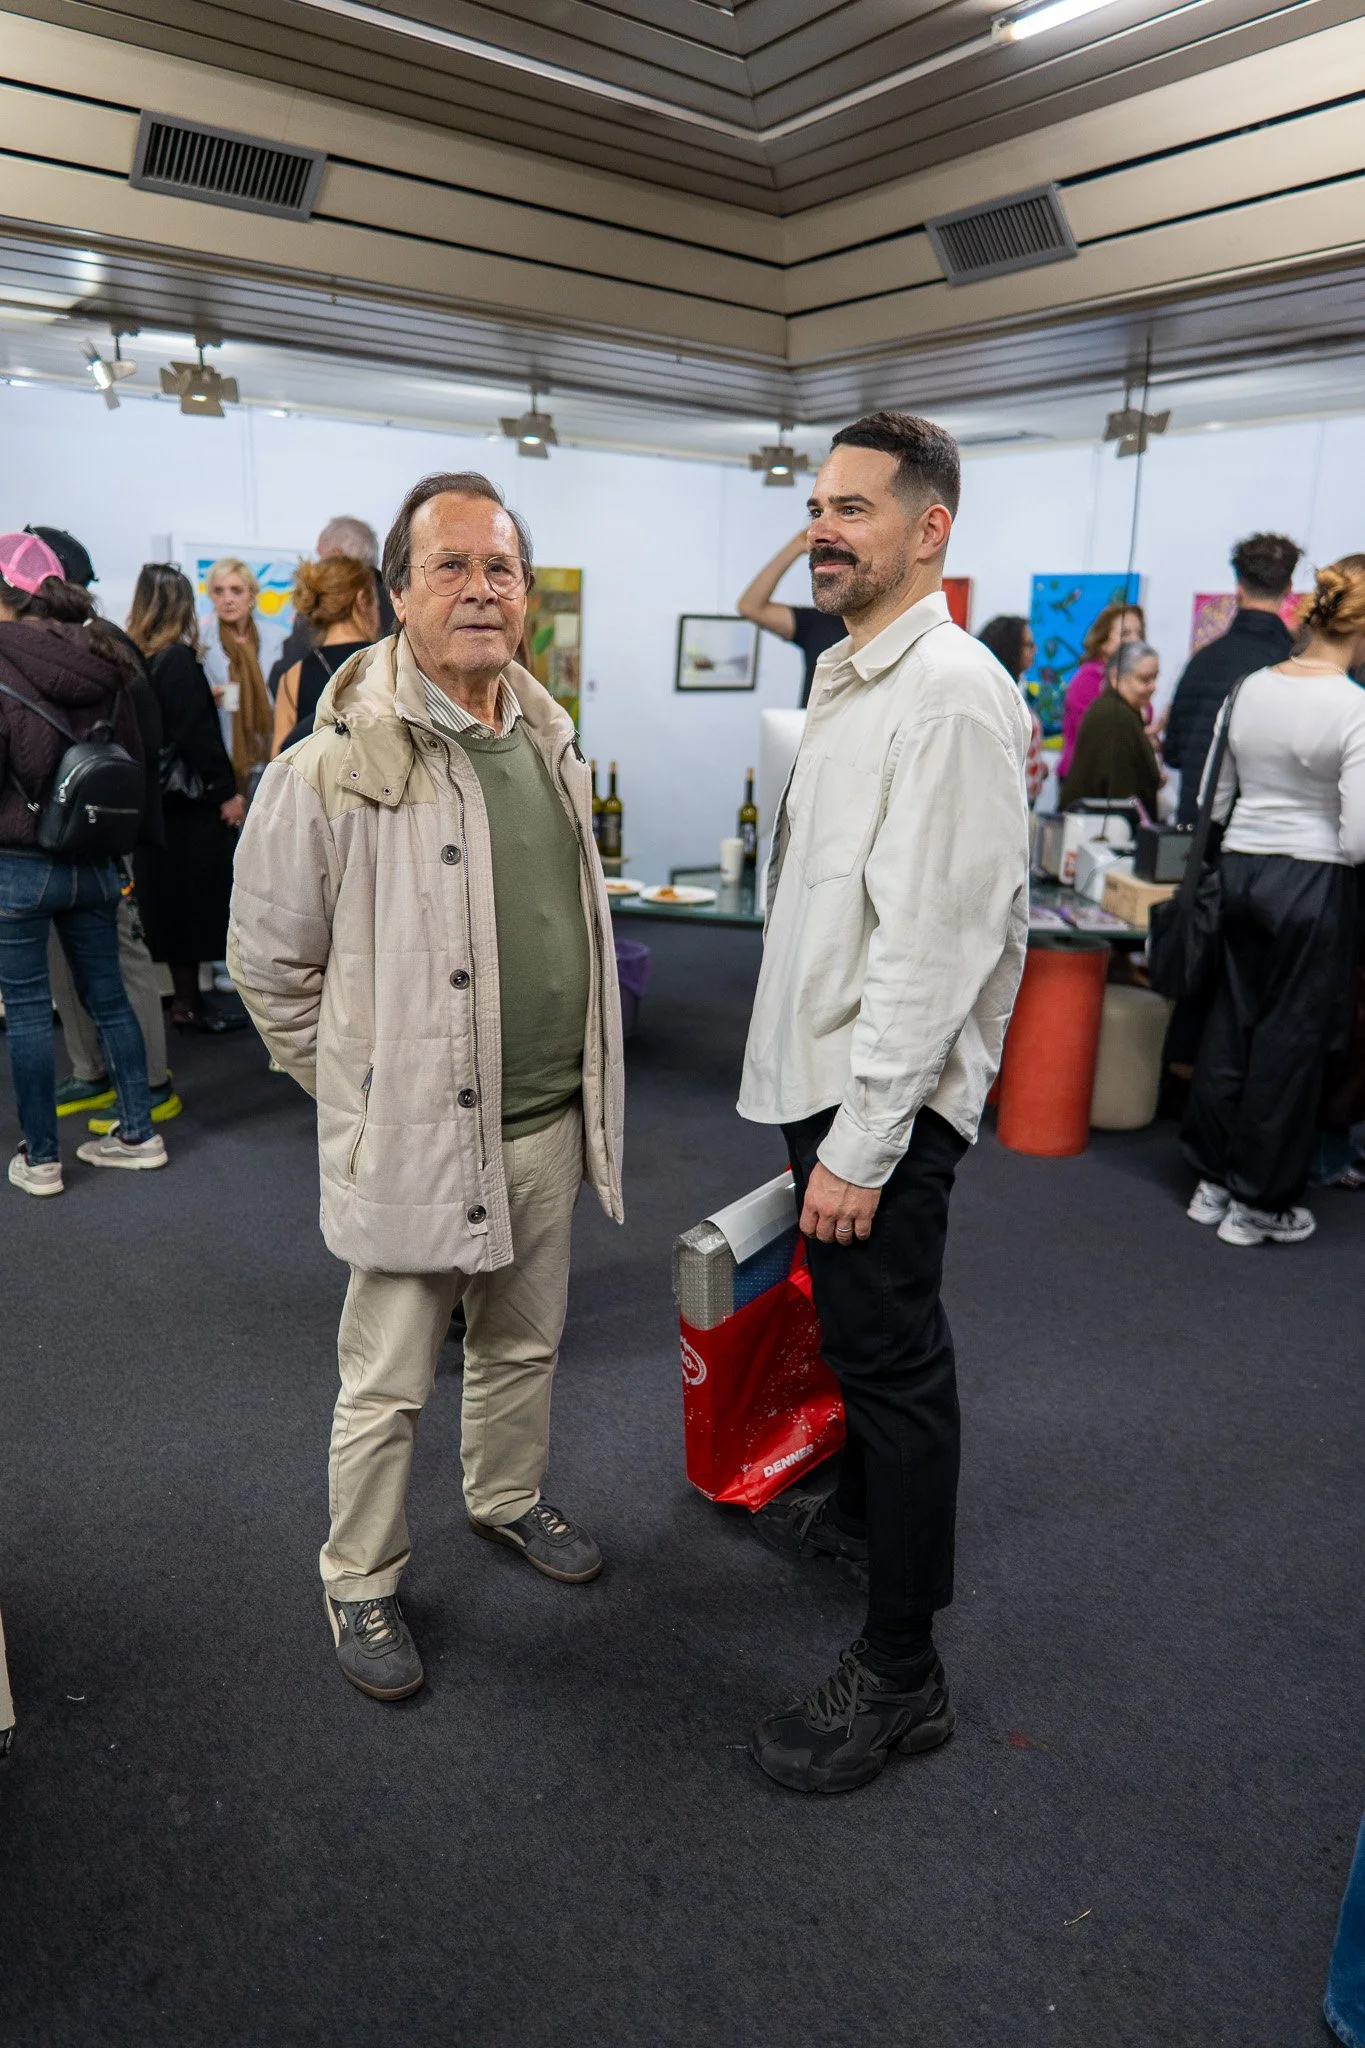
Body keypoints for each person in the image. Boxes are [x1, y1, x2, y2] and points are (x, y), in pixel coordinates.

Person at [229, 470, 624, 1703]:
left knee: (524, 1343)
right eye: (450, 565)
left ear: (526, 596)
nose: (480, 589)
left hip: (546, 1117)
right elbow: (269, 968)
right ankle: (359, 1577)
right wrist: (361, 1092)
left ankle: (505, 1496)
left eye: (501, 568)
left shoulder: (548, 739)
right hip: (412, 1135)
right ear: (399, 593)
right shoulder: (330, 767)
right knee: (389, 1378)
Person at [735, 412, 1031, 1794]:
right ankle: (859, 1518)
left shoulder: (951, 693)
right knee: (859, 1337)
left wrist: (863, 1142)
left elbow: (938, 944)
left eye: (854, 507)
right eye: (818, 505)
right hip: (833, 1075)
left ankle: (904, 1674)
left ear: (931, 529)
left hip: (883, 1100)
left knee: (895, 1360)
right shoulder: (862, 670)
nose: (825, 528)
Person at [1183, 555, 1365, 1248]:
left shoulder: (1249, 688)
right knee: (1289, 1043)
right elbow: (1357, 839)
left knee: (1230, 1027)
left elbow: (1213, 800)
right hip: (1314, 881)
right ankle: (1256, 1204)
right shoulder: (1352, 707)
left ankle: (1210, 1183)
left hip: (1240, 868)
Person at [0, 532, 168, 1192]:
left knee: (28, 1010)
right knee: (110, 997)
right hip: (95, 855)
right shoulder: (103, 653)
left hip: (18, 861)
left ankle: (42, 1158)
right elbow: (132, 759)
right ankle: (138, 1133)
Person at [126, 566, 248, 1036]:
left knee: (172, 905)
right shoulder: (177, 659)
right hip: (190, 808)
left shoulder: (136, 659)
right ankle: (190, 1003)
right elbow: (198, 737)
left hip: (157, 806)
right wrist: (226, 792)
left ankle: (187, 1002)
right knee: (195, 904)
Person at [1163, 532, 1301, 825]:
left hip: (1192, 828)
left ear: (1239, 589)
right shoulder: (1291, 664)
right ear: (1289, 588)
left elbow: (1173, 753)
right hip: (1255, 829)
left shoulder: (1201, 661)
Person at [271, 555, 381, 756]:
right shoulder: (389, 663)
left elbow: (279, 762)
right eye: (375, 599)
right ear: (361, 600)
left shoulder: (292, 677)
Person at [270, 516, 395, 691]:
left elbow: (281, 679)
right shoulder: (401, 600)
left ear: (336, 556)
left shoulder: (319, 603)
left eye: (320, 556)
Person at [737, 531, 847, 706]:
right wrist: (797, 545)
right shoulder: (819, 622)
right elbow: (750, 607)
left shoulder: (887, 626)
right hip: (810, 723)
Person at [200, 557, 280, 793]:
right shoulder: (199, 641)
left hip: (269, 749)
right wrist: (207, 698)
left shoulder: (277, 638)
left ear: (252, 595)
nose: (227, 599)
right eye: (219, 591)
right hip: (223, 755)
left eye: (236, 591)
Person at [1058, 640, 1163, 815]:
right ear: (1115, 677)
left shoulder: (1119, 709)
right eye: (1144, 679)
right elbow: (1121, 791)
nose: (1153, 687)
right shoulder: (1116, 716)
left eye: (1155, 678)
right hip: (1101, 825)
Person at [1057, 598, 1146, 780]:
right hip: (1086, 779)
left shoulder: (1132, 679)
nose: (1135, 640)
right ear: (1103, 642)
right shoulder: (1088, 679)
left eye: (1139, 633)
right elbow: (1099, 736)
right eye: (1125, 633)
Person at [977, 614, 1047, 802]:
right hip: (1005, 801)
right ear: (1010, 648)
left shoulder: (1015, 689)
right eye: (1028, 645)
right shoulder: (994, 696)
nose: (1035, 650)